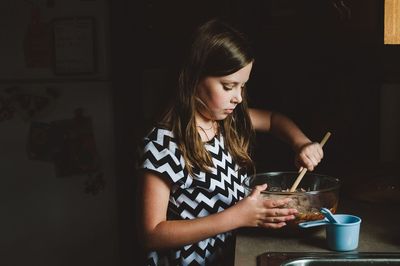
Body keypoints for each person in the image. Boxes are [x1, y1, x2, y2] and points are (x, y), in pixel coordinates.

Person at [137, 18, 324, 266]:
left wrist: (301, 143)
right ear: (192, 78)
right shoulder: (163, 143)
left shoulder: (225, 120)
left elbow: (272, 119)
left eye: (242, 87)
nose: (238, 97)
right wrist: (238, 216)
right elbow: (152, 234)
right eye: (228, 86)